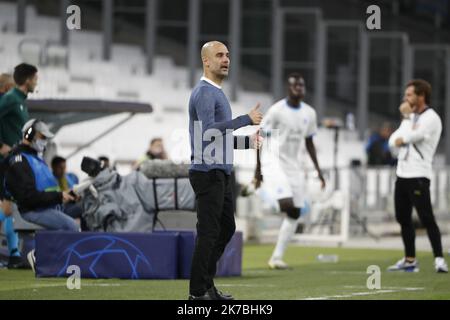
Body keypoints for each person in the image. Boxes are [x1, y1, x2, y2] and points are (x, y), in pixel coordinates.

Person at [187, 41, 263, 300]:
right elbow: (209, 133)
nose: (226, 59)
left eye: (228, 55)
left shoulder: (216, 92)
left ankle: (206, 285)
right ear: (206, 61)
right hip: (207, 172)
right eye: (219, 55)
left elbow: (215, 137)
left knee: (226, 228)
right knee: (209, 232)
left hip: (219, 171)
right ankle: (197, 293)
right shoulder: (206, 92)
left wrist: (246, 141)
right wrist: (245, 120)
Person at [255, 73, 325, 270]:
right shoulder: (277, 111)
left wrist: (318, 172)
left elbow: (309, 142)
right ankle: (261, 191)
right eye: (295, 85)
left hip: (294, 166)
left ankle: (276, 257)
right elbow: (260, 137)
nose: (298, 88)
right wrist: (257, 170)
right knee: (287, 205)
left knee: (295, 212)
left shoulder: (309, 113)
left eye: (301, 85)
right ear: (288, 88)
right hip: (274, 161)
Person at [387, 79, 448, 273]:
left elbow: (411, 137)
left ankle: (439, 259)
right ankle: (410, 259)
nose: (406, 98)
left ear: (421, 96)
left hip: (418, 174)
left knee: (426, 217)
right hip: (402, 174)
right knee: (402, 217)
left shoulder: (431, 118)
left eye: (409, 95)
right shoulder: (411, 118)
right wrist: (406, 122)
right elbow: (392, 141)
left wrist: (405, 125)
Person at [0, 64, 37, 268]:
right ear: (28, 80)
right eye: (35, 78)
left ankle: (14, 254)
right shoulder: (11, 99)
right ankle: (14, 254)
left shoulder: (20, 101)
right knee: (7, 208)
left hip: (16, 160)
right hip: (6, 162)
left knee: (9, 209)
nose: (37, 82)